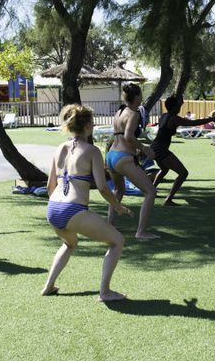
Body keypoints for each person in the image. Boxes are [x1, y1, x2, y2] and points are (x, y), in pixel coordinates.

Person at [42, 104, 133, 301]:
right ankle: (105, 292)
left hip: (53, 209)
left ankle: (48, 286)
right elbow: (103, 187)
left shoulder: (60, 148)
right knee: (117, 241)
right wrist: (118, 206)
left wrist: (59, 208)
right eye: (92, 121)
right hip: (73, 208)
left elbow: (50, 186)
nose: (94, 124)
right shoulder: (92, 151)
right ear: (86, 125)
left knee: (69, 244)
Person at [105, 83, 158, 240]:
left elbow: (120, 134)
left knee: (119, 190)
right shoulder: (133, 114)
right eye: (141, 94)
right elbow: (128, 136)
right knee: (150, 192)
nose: (142, 97)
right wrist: (144, 148)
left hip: (111, 155)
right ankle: (141, 232)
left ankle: (110, 225)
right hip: (123, 157)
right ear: (137, 97)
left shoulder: (119, 111)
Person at [151, 95, 215, 206]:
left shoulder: (164, 115)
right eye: (178, 106)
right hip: (161, 149)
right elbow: (194, 123)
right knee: (183, 173)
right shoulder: (174, 118)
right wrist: (212, 119)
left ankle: (152, 191)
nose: (180, 107)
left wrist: (179, 101)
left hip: (154, 147)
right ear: (173, 107)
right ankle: (168, 199)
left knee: (164, 169)